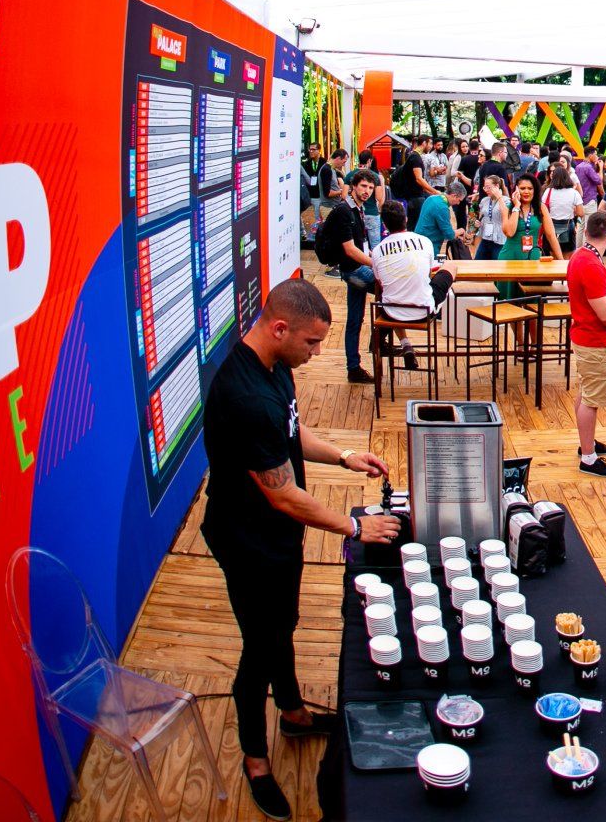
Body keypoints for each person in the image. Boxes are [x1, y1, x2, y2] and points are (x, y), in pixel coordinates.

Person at [200, 279, 397, 822]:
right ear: (279, 328)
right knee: (259, 646)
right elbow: (283, 494)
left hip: (276, 535)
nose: (316, 355)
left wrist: (344, 455)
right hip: (247, 538)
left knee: (282, 624)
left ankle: (291, 712)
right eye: (311, 344)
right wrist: (354, 527)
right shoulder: (244, 397)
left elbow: (293, 431)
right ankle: (256, 760)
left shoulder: (274, 367)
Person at [567, 210, 606, 478]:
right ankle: (588, 458)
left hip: (586, 336)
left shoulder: (582, 257)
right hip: (594, 339)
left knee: (586, 391)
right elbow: (604, 313)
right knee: (591, 399)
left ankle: (587, 443)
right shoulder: (590, 264)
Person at [314, 175, 375, 384]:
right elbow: (349, 249)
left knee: (355, 320)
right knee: (392, 289)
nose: (367, 190)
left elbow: (359, 244)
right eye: (363, 186)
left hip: (355, 269)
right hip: (354, 272)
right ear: (353, 188)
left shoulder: (357, 208)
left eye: (370, 187)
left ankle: (354, 368)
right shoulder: (343, 211)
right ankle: (381, 339)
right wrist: (376, 264)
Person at [373, 199, 456, 328]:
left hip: (390, 311)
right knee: (450, 265)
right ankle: (442, 309)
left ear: (384, 225)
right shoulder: (425, 241)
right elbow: (428, 274)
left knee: (393, 290)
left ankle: (403, 343)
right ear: (405, 219)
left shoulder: (377, 250)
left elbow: (381, 283)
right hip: (423, 311)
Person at [495, 174, 561, 299]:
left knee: (533, 303)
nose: (526, 191)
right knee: (509, 305)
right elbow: (509, 232)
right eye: (522, 188)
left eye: (530, 188)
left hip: (532, 257)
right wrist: (516, 207)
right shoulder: (508, 207)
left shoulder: (541, 207)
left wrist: (562, 261)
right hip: (510, 257)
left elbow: (551, 235)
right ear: (516, 190)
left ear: (535, 190)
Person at [411, 176, 462, 255]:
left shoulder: (431, 198)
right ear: (454, 196)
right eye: (459, 200)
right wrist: (461, 231)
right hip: (429, 246)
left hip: (417, 241)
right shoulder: (442, 208)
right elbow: (449, 235)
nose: (458, 203)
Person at [545, 160, 585, 255]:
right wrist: (572, 210)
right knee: (568, 256)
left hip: (551, 225)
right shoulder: (574, 193)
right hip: (568, 225)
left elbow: (543, 209)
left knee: (553, 255)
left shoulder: (548, 191)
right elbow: (581, 213)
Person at [473, 174, 508, 259]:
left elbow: (506, 216)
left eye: (489, 187)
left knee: (496, 268)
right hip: (485, 238)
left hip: (500, 240)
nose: (486, 190)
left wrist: (499, 198)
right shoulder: (484, 201)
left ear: (497, 186)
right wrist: (478, 223)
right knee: (478, 264)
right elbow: (481, 217)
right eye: (485, 187)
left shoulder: (506, 201)